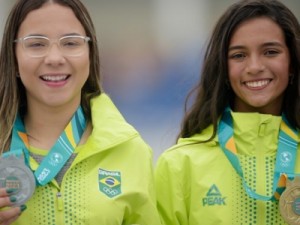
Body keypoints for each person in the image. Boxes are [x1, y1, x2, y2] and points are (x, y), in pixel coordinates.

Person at [0, 0, 161, 224]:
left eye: (70, 43)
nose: (55, 58)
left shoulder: (131, 150)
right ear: (13, 57)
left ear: (90, 53)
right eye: (36, 44)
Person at [155, 0, 300, 224]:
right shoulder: (180, 164)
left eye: (270, 52)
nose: (254, 67)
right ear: (222, 67)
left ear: (292, 62)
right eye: (239, 55)